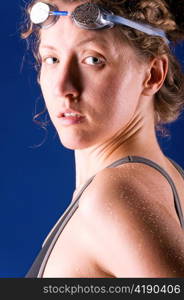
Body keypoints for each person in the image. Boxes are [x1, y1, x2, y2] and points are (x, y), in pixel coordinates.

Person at [22, 0, 184, 278]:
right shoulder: (168, 177)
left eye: (93, 60)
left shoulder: (116, 196)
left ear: (153, 74)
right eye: (52, 59)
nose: (63, 87)